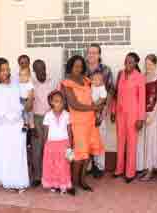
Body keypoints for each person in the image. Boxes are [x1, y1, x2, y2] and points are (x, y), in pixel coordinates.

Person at [60, 55, 104, 192]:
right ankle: (73, 183)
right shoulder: (66, 83)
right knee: (79, 155)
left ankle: (83, 180)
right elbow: (74, 104)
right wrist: (94, 108)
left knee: (88, 153)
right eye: (76, 66)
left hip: (90, 121)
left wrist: (97, 114)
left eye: (80, 66)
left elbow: (91, 99)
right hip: (78, 122)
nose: (78, 69)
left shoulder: (86, 80)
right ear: (70, 67)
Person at [0, 58, 29, 193]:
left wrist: (29, 89)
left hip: (17, 124)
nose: (7, 72)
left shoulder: (15, 82)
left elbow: (24, 94)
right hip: (3, 125)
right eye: (3, 70)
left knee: (18, 153)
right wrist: (19, 110)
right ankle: (7, 180)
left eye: (8, 69)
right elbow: (2, 105)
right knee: (6, 152)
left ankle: (17, 180)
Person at [111, 52, 146, 183]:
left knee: (131, 143)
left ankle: (130, 173)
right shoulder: (120, 74)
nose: (127, 64)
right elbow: (116, 94)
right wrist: (113, 111)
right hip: (120, 114)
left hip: (133, 115)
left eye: (130, 62)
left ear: (136, 63)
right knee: (120, 142)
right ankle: (119, 169)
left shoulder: (139, 77)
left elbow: (142, 98)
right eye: (126, 61)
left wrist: (141, 118)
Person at [86, 43, 114, 178]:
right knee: (87, 139)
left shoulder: (106, 70)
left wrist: (104, 111)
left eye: (94, 52)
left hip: (100, 112)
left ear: (99, 54)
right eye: (89, 52)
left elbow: (110, 91)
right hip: (85, 112)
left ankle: (99, 167)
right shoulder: (82, 69)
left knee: (100, 139)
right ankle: (89, 166)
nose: (91, 55)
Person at [42, 90, 74, 195]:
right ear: (51, 102)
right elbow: (45, 132)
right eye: (56, 101)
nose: (58, 104)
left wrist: (70, 144)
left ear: (64, 102)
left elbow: (69, 130)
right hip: (51, 144)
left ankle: (63, 185)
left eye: (60, 101)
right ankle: (54, 185)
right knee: (52, 166)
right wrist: (45, 145)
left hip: (64, 144)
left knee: (63, 166)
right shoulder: (48, 115)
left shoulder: (67, 115)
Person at [137, 54, 157, 181]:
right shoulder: (142, 78)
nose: (148, 66)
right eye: (146, 64)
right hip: (142, 114)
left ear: (155, 64)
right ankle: (145, 168)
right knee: (143, 143)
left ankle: (151, 170)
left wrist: (151, 116)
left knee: (152, 143)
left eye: (150, 64)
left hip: (153, 114)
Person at [30, 59, 54, 187]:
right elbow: (29, 108)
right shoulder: (31, 84)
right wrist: (32, 126)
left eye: (43, 68)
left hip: (50, 119)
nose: (41, 72)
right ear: (34, 71)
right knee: (37, 150)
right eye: (38, 70)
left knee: (50, 149)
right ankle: (37, 177)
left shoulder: (52, 82)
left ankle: (49, 175)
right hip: (37, 119)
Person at [19, 67, 35, 133]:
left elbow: (31, 93)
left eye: (25, 75)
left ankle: (31, 126)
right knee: (23, 114)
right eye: (21, 75)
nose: (23, 77)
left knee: (29, 113)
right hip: (20, 100)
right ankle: (25, 124)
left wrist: (29, 100)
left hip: (26, 100)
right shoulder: (18, 84)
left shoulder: (29, 84)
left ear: (29, 76)